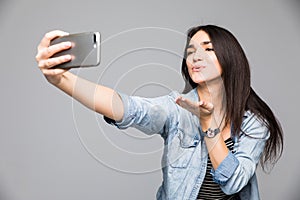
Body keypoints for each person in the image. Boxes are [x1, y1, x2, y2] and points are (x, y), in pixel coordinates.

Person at [35, 25, 283, 200]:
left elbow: (233, 183)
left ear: (230, 57)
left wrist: (208, 123)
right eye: (190, 51)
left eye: (207, 49)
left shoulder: (254, 122)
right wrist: (61, 80)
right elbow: (128, 108)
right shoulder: (176, 108)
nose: (195, 57)